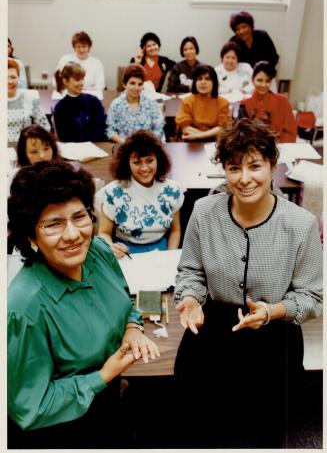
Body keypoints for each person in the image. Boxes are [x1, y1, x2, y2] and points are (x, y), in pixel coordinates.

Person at [173, 118, 323, 448]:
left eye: (255, 166)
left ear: (273, 165)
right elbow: (191, 272)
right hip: (213, 329)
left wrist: (273, 311)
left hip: (274, 336)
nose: (244, 179)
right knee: (202, 427)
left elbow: (313, 297)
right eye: (233, 168)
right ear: (223, 170)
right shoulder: (203, 211)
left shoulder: (301, 225)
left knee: (263, 433)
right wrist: (190, 298)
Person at [7, 160, 160, 449]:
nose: (73, 234)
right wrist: (104, 375)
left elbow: (124, 303)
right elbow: (29, 407)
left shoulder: (99, 252)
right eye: (54, 224)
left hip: (111, 403)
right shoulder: (23, 308)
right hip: (64, 430)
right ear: (31, 236)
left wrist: (132, 327)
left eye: (79, 217)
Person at [97, 129, 184, 258]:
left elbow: (175, 231)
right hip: (124, 253)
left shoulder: (172, 190)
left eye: (149, 161)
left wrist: (170, 256)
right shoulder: (112, 193)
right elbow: (104, 233)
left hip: (161, 252)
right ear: (127, 163)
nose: (144, 168)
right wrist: (112, 249)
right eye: (137, 162)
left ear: (158, 160)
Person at [239, 61, 297, 142]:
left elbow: (291, 133)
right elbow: (242, 133)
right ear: (252, 80)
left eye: (267, 81)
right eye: (259, 80)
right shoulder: (244, 104)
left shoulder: (283, 101)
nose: (263, 85)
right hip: (252, 148)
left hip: (279, 147)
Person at [106, 64, 164, 144]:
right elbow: (110, 131)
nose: (136, 88)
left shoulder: (151, 104)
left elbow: (158, 129)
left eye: (140, 84)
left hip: (147, 147)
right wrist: (125, 143)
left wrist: (148, 143)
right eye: (132, 83)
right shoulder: (116, 104)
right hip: (124, 147)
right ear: (124, 84)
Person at [53, 62, 107, 142]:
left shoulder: (94, 101)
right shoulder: (60, 108)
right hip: (73, 150)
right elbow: (64, 137)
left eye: (82, 79)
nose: (81, 83)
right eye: (77, 80)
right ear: (65, 82)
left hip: (95, 146)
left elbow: (101, 129)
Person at [175, 64, 230, 141]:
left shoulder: (223, 103)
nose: (203, 82)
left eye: (207, 79)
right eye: (199, 79)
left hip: (215, 142)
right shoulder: (187, 101)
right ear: (195, 82)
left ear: (214, 82)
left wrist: (199, 136)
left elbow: (222, 128)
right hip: (192, 142)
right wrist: (203, 136)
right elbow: (185, 127)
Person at [8, 58, 50, 144]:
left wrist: (34, 142)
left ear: (18, 78)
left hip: (25, 148)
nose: (9, 81)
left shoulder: (29, 98)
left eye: (13, 77)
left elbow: (45, 126)